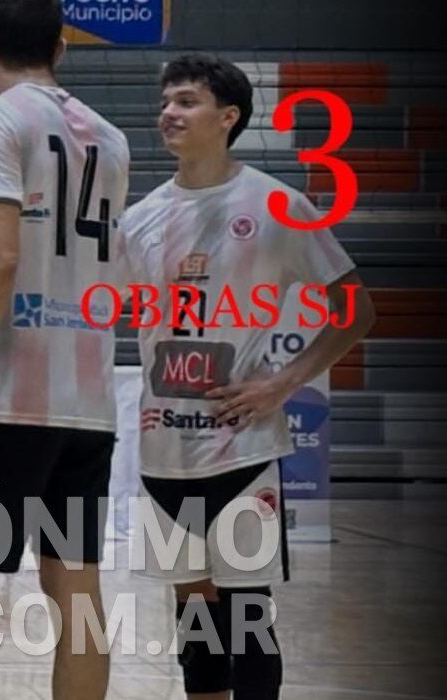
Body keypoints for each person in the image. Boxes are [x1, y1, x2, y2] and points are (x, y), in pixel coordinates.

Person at [115, 53, 375, 700]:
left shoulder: (277, 205)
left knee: (247, 617)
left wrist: (281, 383)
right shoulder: (140, 218)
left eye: (186, 101)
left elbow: (356, 309)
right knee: (195, 622)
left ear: (228, 116)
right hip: (163, 451)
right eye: (166, 101)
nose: (168, 112)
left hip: (242, 451)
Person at [0, 1, 130, 699]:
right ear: (60, 48)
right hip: (90, 399)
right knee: (76, 592)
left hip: (9, 399)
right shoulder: (112, 138)